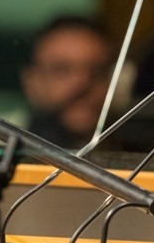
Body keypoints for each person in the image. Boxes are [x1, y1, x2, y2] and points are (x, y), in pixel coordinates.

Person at [20, 15, 115, 150]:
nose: (81, 83)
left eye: (96, 71)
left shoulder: (146, 155)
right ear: (31, 81)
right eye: (61, 70)